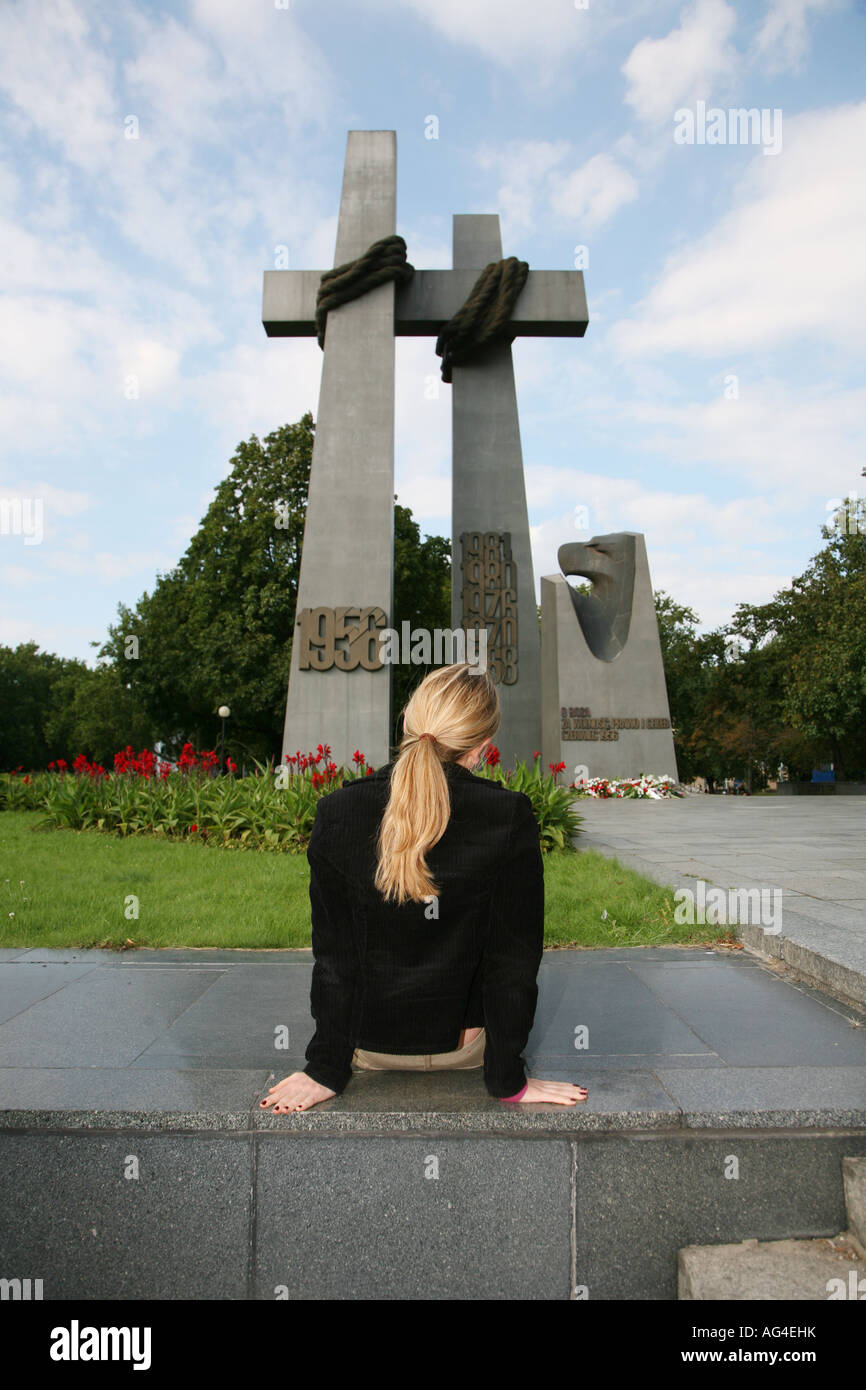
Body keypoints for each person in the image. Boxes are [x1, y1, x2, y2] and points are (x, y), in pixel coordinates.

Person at [260, 662, 588, 1114]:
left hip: (366, 1051)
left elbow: (335, 960)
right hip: (464, 1052)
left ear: (409, 723)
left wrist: (324, 1070)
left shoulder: (336, 811)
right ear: (480, 750)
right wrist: (508, 1080)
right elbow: (512, 961)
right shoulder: (509, 816)